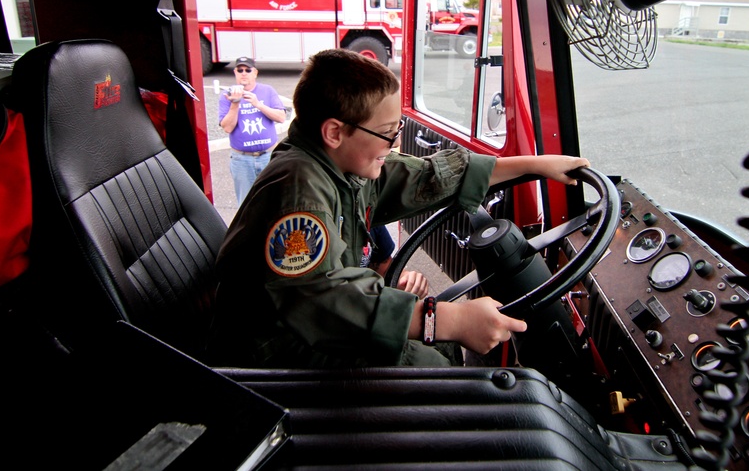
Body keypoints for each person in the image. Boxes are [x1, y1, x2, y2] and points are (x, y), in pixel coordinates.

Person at [206, 48, 590, 369]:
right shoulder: (300, 191)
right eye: (388, 133)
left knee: (439, 346)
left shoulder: (341, 166)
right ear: (335, 132)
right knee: (436, 367)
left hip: (304, 328)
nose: (393, 143)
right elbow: (324, 297)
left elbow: (426, 177)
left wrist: (535, 165)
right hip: (271, 352)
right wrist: (447, 319)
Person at [219, 56, 287, 205]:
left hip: (268, 157)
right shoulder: (227, 95)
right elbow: (228, 127)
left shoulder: (267, 91)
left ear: (255, 73)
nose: (244, 73)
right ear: (235, 73)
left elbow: (281, 117)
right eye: (240, 70)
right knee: (246, 205)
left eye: (248, 70)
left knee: (273, 202)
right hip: (242, 160)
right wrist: (235, 104)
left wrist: (258, 104)